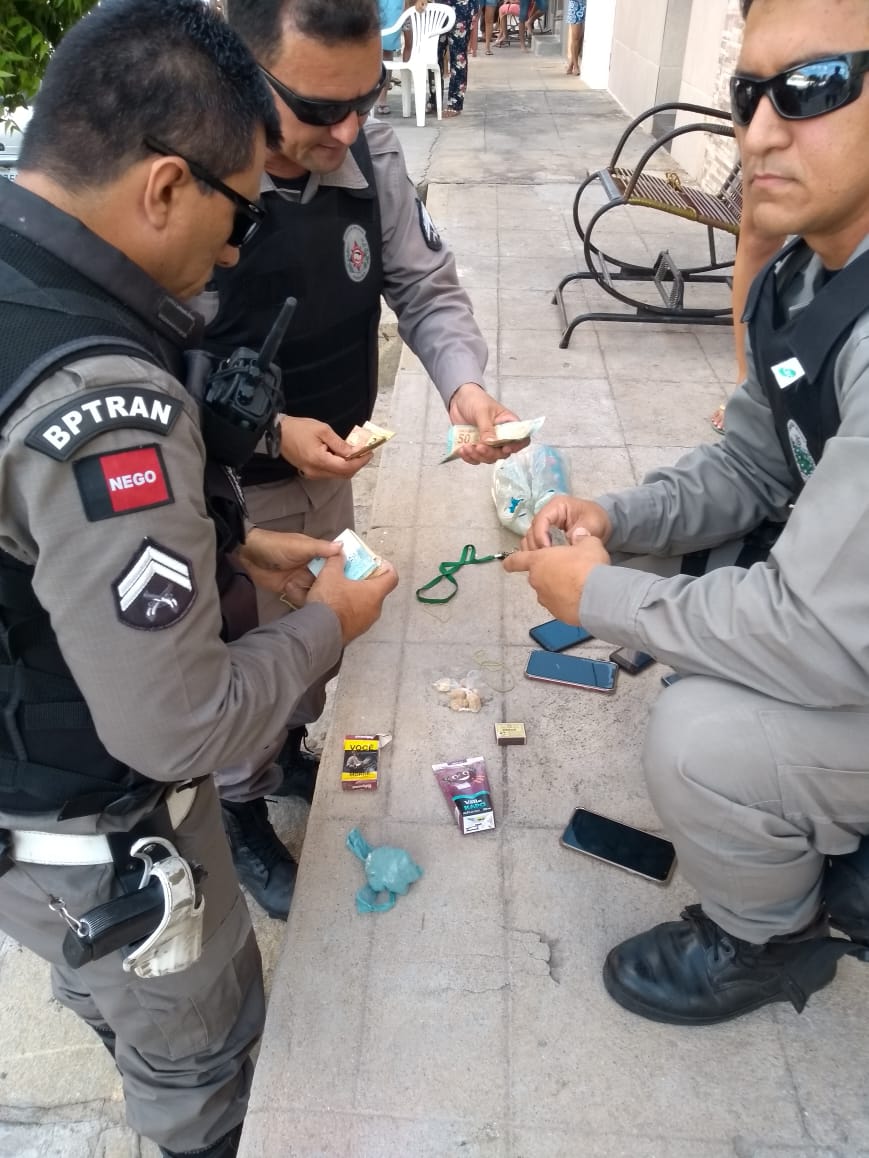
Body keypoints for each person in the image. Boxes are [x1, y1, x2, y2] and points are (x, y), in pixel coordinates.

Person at [0, 2, 396, 1155]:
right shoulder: (104, 406)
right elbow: (179, 724)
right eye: (234, 208)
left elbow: (38, 551)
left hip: (31, 804)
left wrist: (229, 545)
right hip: (102, 843)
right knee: (201, 1070)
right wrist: (330, 621)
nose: (234, 250)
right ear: (167, 186)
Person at [505, 0, 869, 1026]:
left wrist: (598, 595)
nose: (757, 131)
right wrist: (612, 522)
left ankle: (767, 942)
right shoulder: (809, 269)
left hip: (844, 633)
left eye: (812, 89)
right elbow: (749, 463)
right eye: (747, 93)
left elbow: (812, 635)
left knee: (697, 734)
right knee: (674, 563)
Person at [207, 0, 528, 911]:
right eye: (319, 109)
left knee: (320, 644)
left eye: (367, 96)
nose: (347, 128)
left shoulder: (367, 157)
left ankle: (284, 757)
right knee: (249, 661)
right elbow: (159, 372)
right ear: (246, 75)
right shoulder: (198, 178)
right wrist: (269, 436)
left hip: (330, 468)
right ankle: (237, 809)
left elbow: (424, 285)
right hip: (231, 492)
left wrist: (464, 387)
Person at [565, 0, 586, 75]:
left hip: (586, 6)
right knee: (576, 38)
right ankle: (576, 66)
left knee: (581, 39)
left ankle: (571, 64)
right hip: (576, 6)